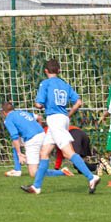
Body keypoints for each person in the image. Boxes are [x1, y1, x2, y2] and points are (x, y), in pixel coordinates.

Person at [21, 59, 101, 195]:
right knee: (44, 153)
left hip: (54, 119)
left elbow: (39, 104)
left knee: (68, 152)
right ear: (59, 71)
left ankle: (91, 177)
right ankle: (36, 187)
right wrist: (69, 114)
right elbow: (78, 102)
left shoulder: (45, 83)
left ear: (46, 71)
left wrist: (40, 104)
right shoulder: (65, 84)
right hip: (62, 119)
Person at [2, 101, 72, 178]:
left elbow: (14, 136)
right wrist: (38, 126)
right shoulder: (22, 112)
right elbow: (39, 117)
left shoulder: (8, 119)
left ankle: (62, 172)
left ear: (4, 112)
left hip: (32, 139)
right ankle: (17, 170)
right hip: (42, 134)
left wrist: (19, 154)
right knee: (16, 144)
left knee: (34, 173)